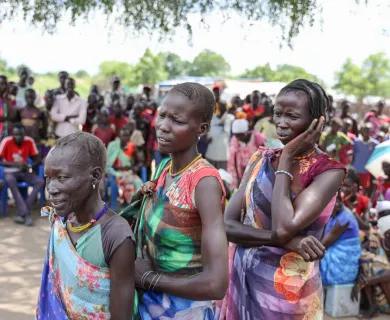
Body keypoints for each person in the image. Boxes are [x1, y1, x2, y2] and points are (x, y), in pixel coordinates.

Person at [218, 79, 346, 319]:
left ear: (317, 121)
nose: (281, 123)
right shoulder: (261, 159)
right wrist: (285, 242)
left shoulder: (328, 171)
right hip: (244, 279)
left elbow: (284, 227)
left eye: (292, 116)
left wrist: (287, 158)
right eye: (278, 114)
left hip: (287, 295)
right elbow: (226, 225)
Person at [132, 82, 228, 318]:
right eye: (162, 115)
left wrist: (149, 279)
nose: (163, 127)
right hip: (151, 304)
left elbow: (216, 284)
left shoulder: (204, 183)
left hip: (185, 311)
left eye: (177, 121)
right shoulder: (165, 168)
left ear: (201, 128)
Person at [37, 132, 135, 319]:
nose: (51, 189)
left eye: (62, 177)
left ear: (95, 175)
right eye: (48, 178)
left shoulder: (115, 235)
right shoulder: (63, 222)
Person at [0, 123, 44, 226]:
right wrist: (14, 164)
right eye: (15, 134)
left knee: (40, 181)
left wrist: (29, 165)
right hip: (9, 171)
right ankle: (26, 214)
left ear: (24, 134)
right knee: (10, 181)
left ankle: (23, 212)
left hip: (23, 171)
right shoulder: (6, 141)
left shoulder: (29, 141)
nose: (18, 137)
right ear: (12, 134)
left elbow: (37, 158)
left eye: (20, 134)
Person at [352, 201, 390, 318]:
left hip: (385, 289)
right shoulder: (380, 241)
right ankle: (372, 306)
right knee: (366, 263)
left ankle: (366, 284)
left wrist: (367, 281)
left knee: (385, 272)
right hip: (380, 291)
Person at [320, 192, 361, 285]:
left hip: (341, 268)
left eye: (338, 200)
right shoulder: (332, 217)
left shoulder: (343, 220)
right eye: (334, 201)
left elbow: (322, 245)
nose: (337, 204)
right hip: (334, 255)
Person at [107, 127, 143, 204]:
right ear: (119, 137)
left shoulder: (131, 146)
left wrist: (136, 167)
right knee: (129, 181)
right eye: (124, 135)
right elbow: (108, 165)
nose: (126, 137)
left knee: (138, 181)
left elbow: (141, 161)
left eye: (127, 135)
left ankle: (137, 204)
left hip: (129, 172)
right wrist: (121, 168)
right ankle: (131, 203)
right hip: (116, 173)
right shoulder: (113, 146)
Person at [227, 119, 266, 189]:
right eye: (236, 135)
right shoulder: (234, 141)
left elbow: (265, 155)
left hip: (257, 172)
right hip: (241, 173)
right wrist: (235, 181)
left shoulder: (258, 138)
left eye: (241, 135)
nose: (239, 138)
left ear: (247, 132)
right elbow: (231, 163)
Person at [352, 123, 378, 193]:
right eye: (365, 130)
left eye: (368, 130)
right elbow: (353, 156)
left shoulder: (375, 144)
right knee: (355, 189)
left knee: (365, 190)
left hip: (367, 171)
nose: (366, 131)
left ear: (371, 131)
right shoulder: (356, 142)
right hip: (356, 171)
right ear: (362, 130)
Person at [0, 75, 17, 140]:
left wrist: (4, 99)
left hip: (8, 134)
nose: (3, 87)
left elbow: (13, 116)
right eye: (1, 84)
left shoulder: (11, 99)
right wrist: (7, 118)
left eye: (5, 84)